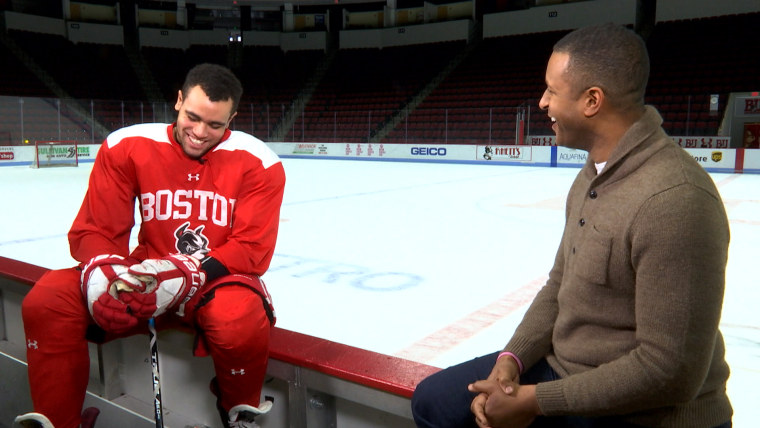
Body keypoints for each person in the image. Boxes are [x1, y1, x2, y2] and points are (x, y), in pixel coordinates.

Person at [411, 23, 733, 428]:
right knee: (433, 403)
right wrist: (510, 361)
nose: (542, 102)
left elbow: (668, 373)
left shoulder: (675, 200)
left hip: (645, 412)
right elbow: (559, 284)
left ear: (592, 101)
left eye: (551, 91)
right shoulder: (591, 177)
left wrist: (535, 401)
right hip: (567, 370)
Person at [15, 63, 286, 428]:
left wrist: (188, 274)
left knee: (238, 318)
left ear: (232, 119)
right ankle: (60, 421)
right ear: (178, 101)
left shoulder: (260, 162)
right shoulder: (128, 145)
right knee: (48, 299)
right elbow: (97, 228)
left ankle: (237, 410)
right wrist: (106, 273)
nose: (200, 132)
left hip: (212, 282)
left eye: (215, 125)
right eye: (192, 117)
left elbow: (251, 246)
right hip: (142, 278)